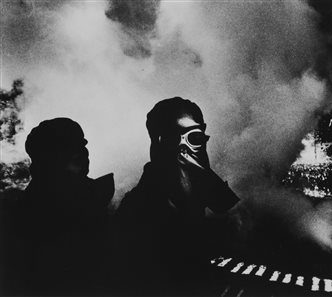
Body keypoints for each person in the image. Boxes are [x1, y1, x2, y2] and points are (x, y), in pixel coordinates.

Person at [115, 97, 239, 296]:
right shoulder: (139, 209)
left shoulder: (187, 193)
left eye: (201, 135)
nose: (201, 143)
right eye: (194, 137)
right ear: (164, 141)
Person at [17, 118, 114, 295]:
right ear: (46, 159)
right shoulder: (35, 211)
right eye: (67, 149)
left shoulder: (94, 194)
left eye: (82, 146)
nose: (82, 154)